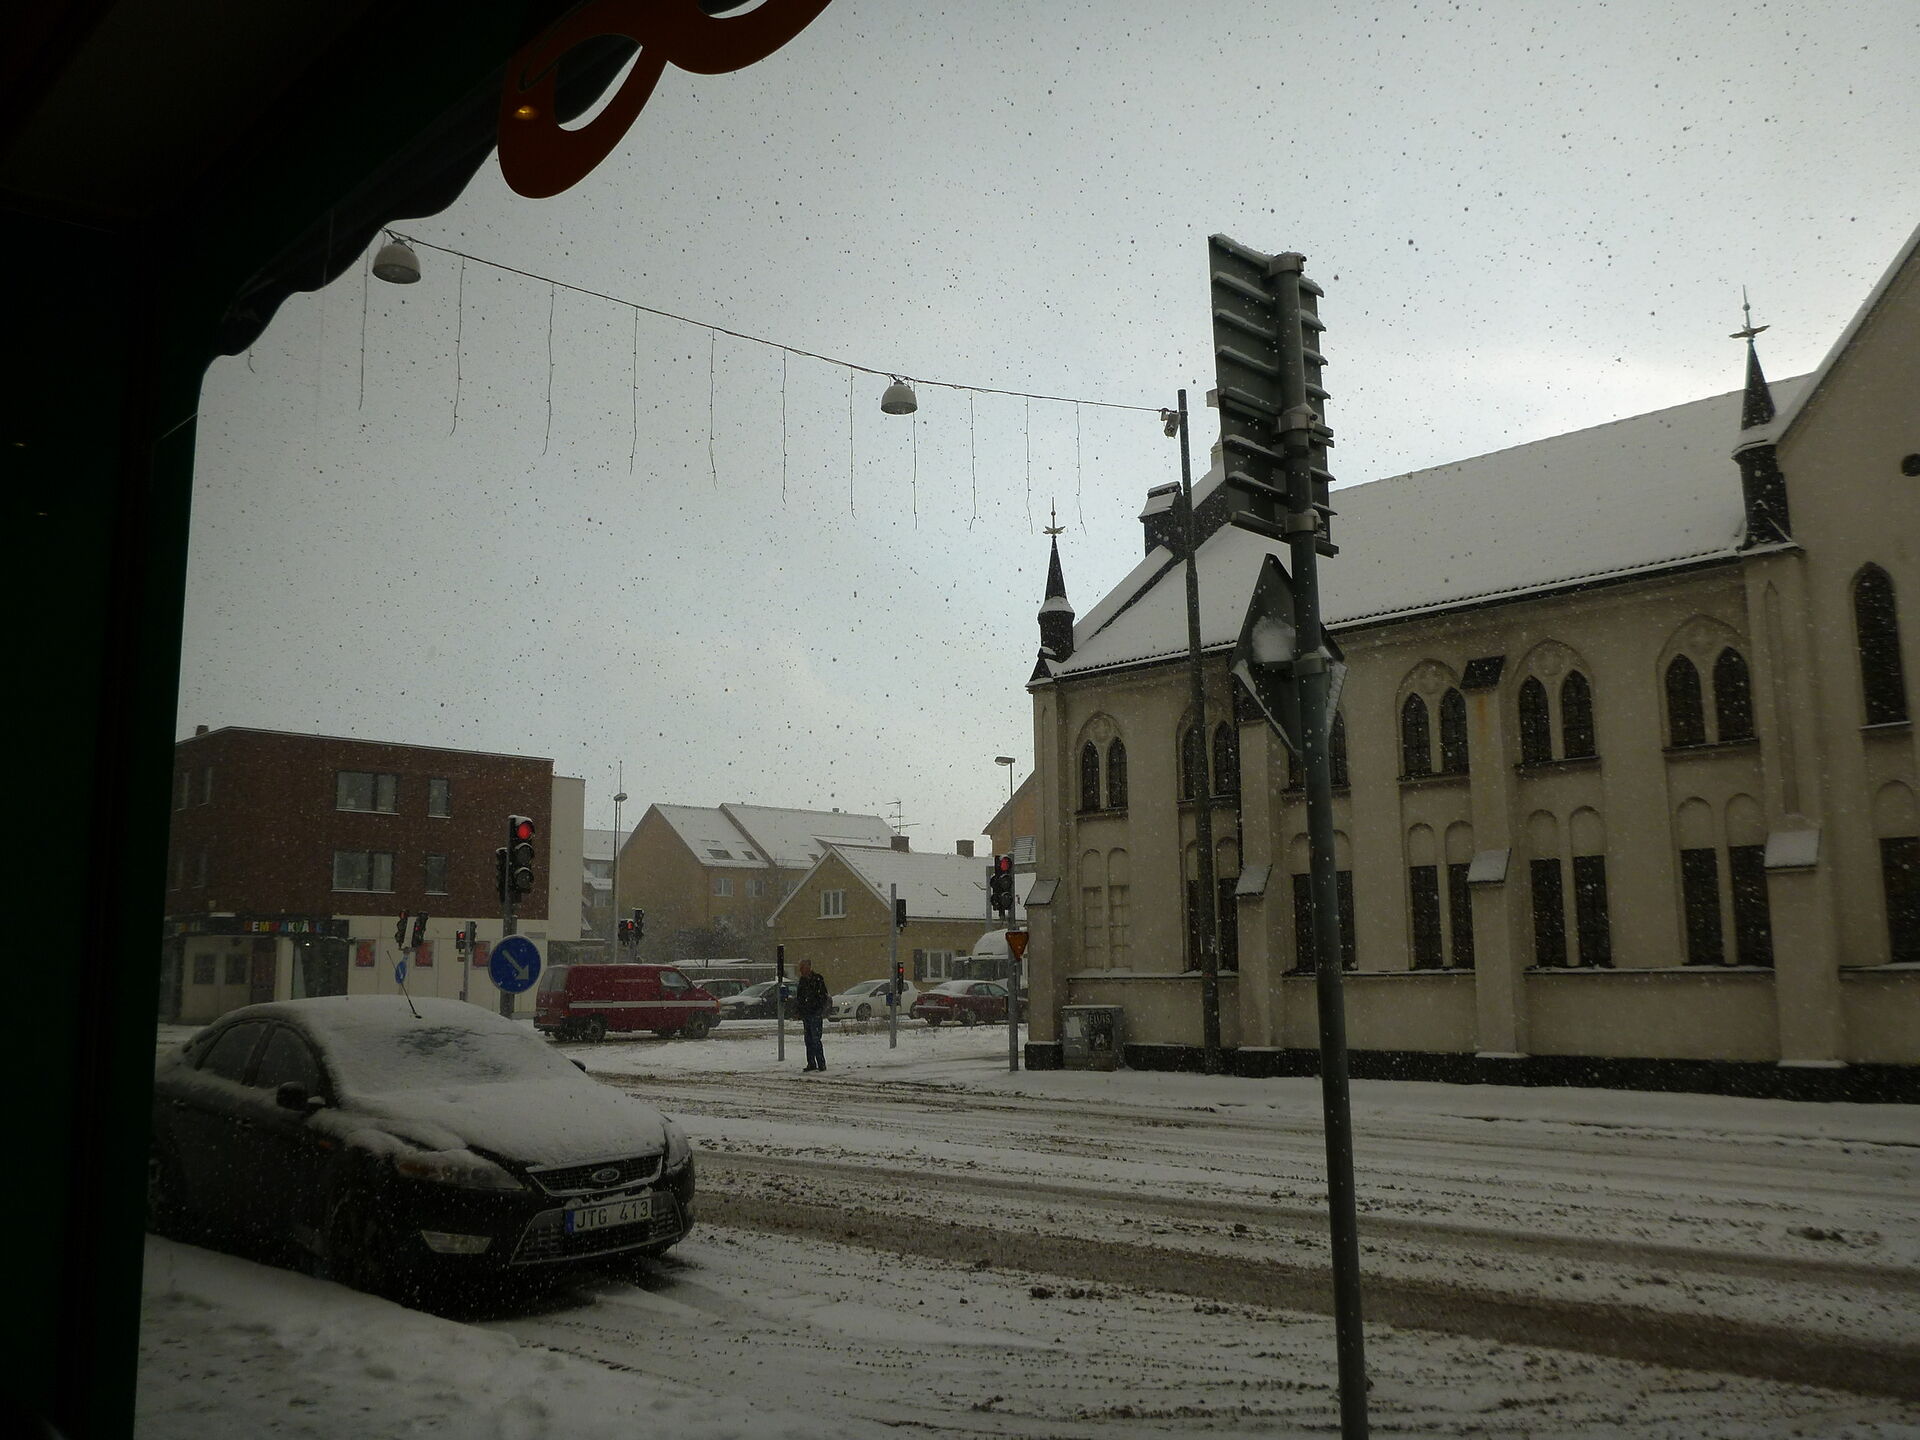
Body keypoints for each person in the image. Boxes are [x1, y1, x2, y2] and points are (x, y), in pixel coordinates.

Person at [795, 957, 830, 1072]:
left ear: (809, 967)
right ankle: (811, 1063)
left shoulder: (817, 979)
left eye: (802, 967)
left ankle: (821, 1063)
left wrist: (818, 1007)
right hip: (806, 1014)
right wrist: (800, 1010)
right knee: (808, 1040)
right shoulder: (802, 981)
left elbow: (823, 995)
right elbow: (799, 997)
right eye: (800, 968)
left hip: (815, 1013)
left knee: (815, 1039)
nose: (801, 970)